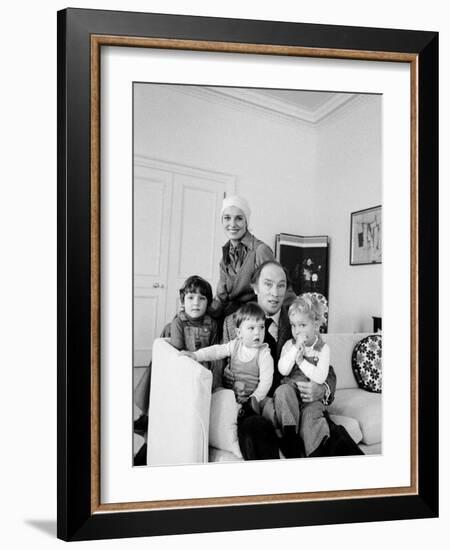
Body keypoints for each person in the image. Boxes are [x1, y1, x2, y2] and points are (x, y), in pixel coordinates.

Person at [221, 260, 338, 459]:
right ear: (255, 287)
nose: (275, 293)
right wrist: (228, 379)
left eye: (281, 285)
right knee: (254, 431)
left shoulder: (296, 322)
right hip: (256, 406)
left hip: (295, 404)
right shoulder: (234, 323)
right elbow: (219, 370)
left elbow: (326, 367)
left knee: (334, 439)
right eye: (268, 284)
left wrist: (323, 389)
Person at [180, 302, 273, 411]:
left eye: (261, 327)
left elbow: (266, 382)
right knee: (218, 394)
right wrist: (196, 355)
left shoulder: (264, 354)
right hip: (232, 396)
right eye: (251, 328)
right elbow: (216, 351)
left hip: (254, 398)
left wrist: (254, 399)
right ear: (239, 333)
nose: (258, 332)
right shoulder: (235, 345)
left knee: (269, 405)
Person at [277, 294, 331, 456]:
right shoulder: (289, 345)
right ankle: (290, 436)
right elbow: (283, 370)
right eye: (294, 326)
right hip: (291, 393)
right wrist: (295, 350)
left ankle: (315, 452)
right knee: (282, 391)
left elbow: (320, 378)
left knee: (311, 417)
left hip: (311, 399)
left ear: (316, 324)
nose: (297, 331)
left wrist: (301, 362)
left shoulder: (323, 348)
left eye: (302, 325)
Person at [209, 195, 275, 321]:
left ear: (246, 222)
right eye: (227, 218)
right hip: (231, 316)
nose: (232, 224)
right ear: (222, 221)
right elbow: (221, 297)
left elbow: (274, 292)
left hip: (254, 319)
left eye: (239, 218)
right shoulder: (225, 255)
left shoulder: (260, 251)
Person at [170, 275, 218, 365]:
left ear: (208, 303)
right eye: (191, 298)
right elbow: (178, 355)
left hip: (205, 370)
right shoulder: (178, 322)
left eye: (202, 298)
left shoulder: (212, 324)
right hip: (184, 367)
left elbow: (215, 352)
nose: (196, 303)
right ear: (183, 302)